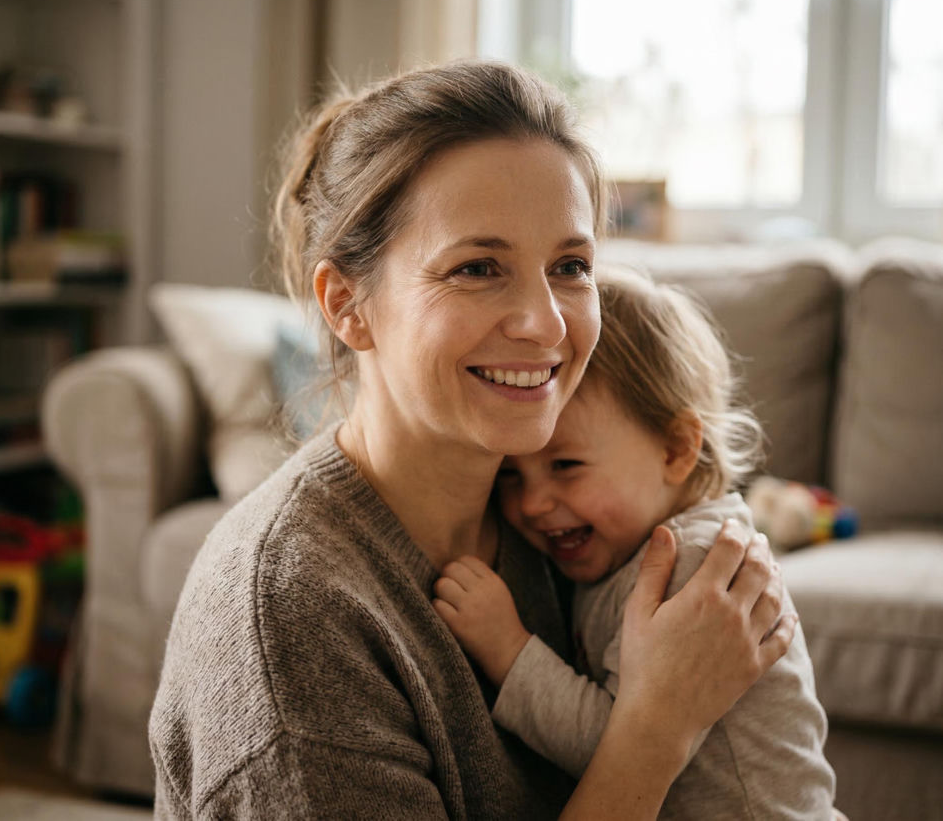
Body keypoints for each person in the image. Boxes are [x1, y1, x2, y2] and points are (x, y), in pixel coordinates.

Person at [148, 60, 794, 820]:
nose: (546, 323)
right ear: (347, 306)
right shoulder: (293, 622)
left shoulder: (558, 526)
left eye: (570, 266)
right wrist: (655, 730)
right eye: (479, 267)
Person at [434, 270, 837, 818]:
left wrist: (509, 650)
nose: (532, 504)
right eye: (511, 475)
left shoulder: (693, 568)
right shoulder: (630, 545)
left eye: (566, 466)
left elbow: (618, 749)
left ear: (675, 450)